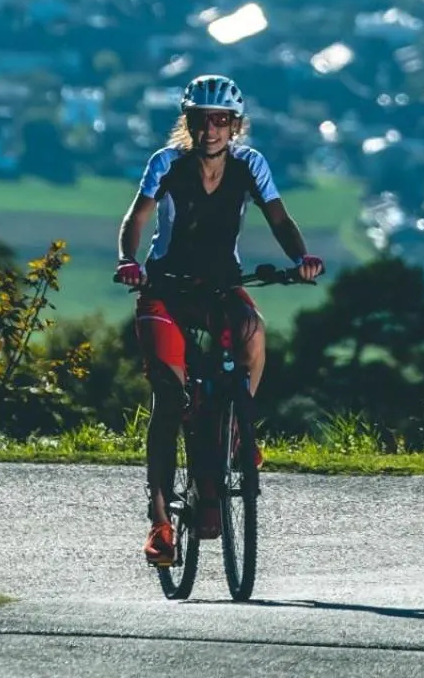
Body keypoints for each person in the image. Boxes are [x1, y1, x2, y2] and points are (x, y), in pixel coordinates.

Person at [115, 72, 325, 568]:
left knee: (252, 332)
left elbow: (279, 217)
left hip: (219, 287)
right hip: (164, 291)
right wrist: (130, 260)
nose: (210, 129)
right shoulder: (166, 163)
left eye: (221, 121)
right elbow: (137, 218)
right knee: (170, 398)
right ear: (188, 122)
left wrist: (302, 258)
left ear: (235, 125)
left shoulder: (250, 165)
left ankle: (238, 429)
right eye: (201, 120)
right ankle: (160, 521)